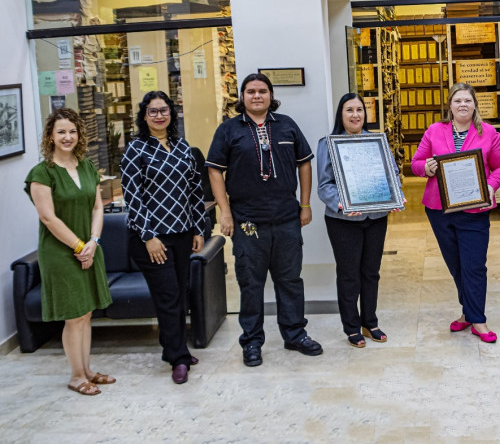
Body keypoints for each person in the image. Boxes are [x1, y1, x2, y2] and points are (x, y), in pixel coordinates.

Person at [206, 73, 322, 367]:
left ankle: (295, 334)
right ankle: (252, 342)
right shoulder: (229, 130)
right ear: (241, 97)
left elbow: (304, 163)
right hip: (248, 222)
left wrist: (305, 204)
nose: (256, 96)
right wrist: (226, 212)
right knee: (251, 283)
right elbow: (215, 171)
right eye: (250, 91)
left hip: (286, 218)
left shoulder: (287, 125)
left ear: (271, 96)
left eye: (262, 91)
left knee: (290, 280)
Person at [412, 82, 500, 343]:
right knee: (456, 264)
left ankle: (478, 320)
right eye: (458, 101)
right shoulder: (435, 131)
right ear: (450, 105)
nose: (463, 105)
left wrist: (490, 186)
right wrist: (427, 168)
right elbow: (415, 162)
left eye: (468, 100)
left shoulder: (489, 132)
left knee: (474, 265)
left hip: (475, 210)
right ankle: (468, 312)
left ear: (475, 105)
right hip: (439, 210)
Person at [25, 108, 114, 396]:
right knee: (73, 315)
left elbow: (98, 206)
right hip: (61, 252)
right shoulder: (42, 173)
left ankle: (87, 370)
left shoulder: (87, 166)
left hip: (90, 246)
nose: (67, 136)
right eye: (61, 131)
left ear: (80, 135)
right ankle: (76, 376)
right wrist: (79, 246)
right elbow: (48, 218)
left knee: (85, 313)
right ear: (50, 135)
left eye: (72, 131)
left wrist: (94, 241)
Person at [121, 91, 205, 384]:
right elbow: (133, 197)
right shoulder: (136, 149)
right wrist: (148, 236)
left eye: (164, 110)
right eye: (152, 111)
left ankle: (174, 348)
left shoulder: (183, 147)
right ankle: (179, 359)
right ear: (144, 117)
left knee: (179, 294)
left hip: (182, 234)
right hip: (152, 239)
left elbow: (195, 191)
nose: (159, 115)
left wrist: (198, 228)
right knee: (168, 295)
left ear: (172, 113)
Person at [317, 93, 404, 348]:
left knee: (371, 272)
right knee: (348, 275)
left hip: (376, 217)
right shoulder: (328, 144)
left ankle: (370, 322)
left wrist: (396, 196)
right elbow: (324, 186)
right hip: (343, 219)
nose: (355, 115)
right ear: (340, 115)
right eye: (349, 110)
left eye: (359, 109)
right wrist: (342, 204)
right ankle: (352, 327)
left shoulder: (377, 141)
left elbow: (392, 174)